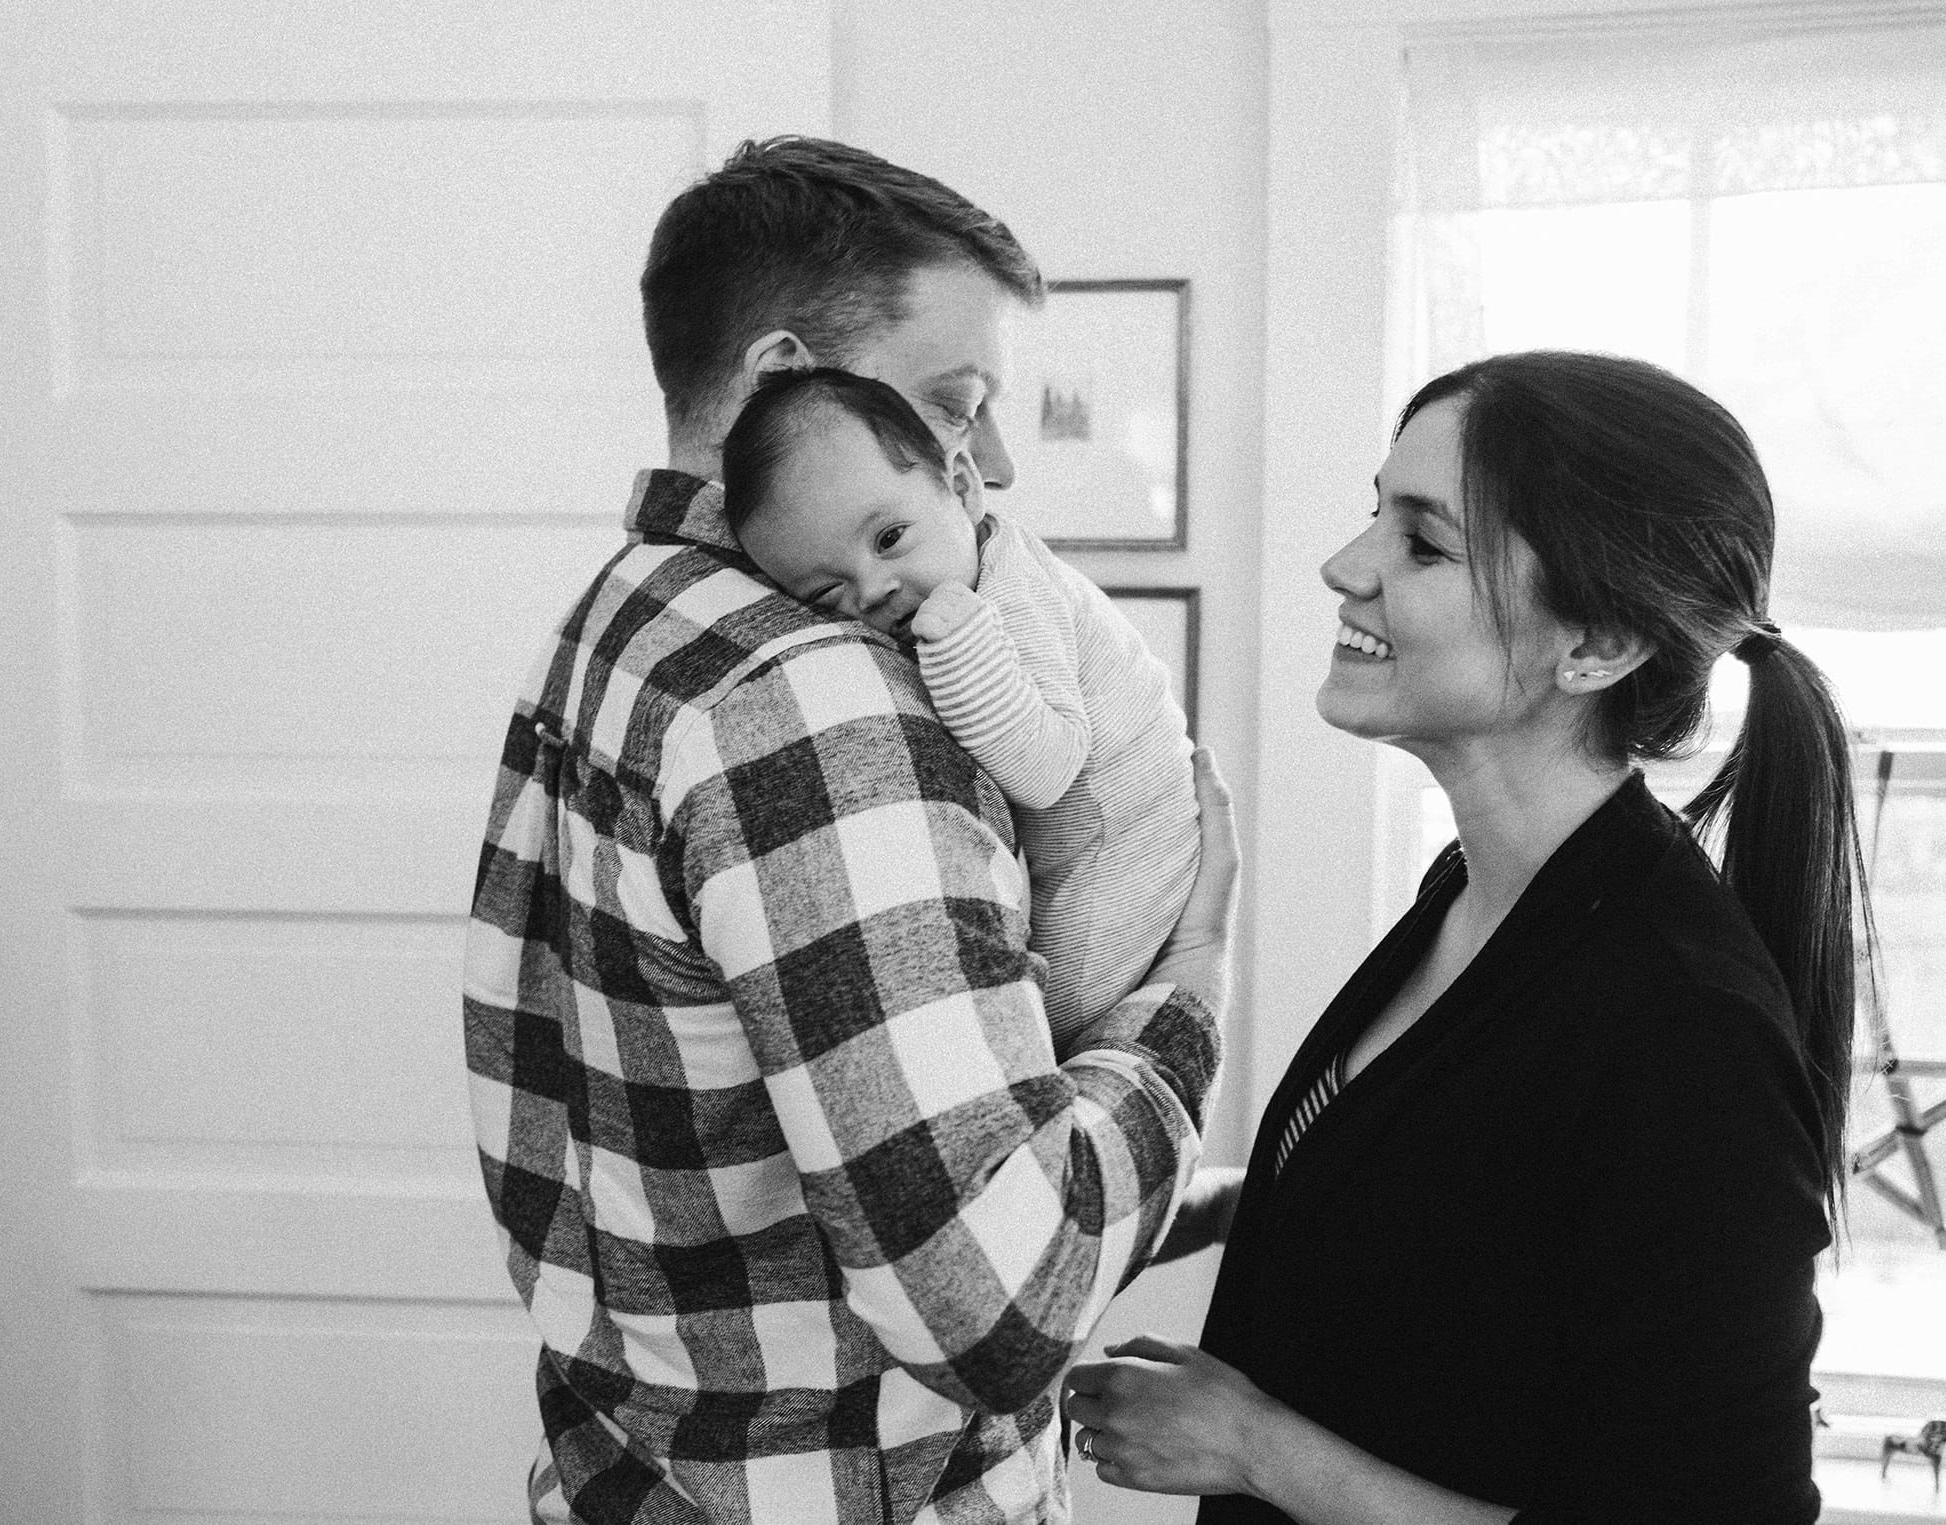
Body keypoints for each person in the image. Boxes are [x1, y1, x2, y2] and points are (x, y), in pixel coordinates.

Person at [462, 135, 1238, 1525]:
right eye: (953, 402)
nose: (991, 461)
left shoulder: (618, 618)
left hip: (630, 1469)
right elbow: (995, 1309)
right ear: (780, 382)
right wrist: (1181, 1006)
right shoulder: (821, 702)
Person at [1064, 350, 1868, 1523]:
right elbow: (1488, 1205)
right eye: (1374, 512)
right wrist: (1234, 1198)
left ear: (1595, 646)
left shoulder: (1687, 1029)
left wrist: (1254, 1446)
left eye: (1424, 544)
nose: (1345, 567)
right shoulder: (1478, 890)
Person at [721, 365, 1200, 1048]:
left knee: (1032, 1036)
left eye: (889, 538)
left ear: (962, 486)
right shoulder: (947, 578)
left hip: (1123, 871)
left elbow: (1046, 768)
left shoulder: (1010, 591)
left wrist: (956, 644)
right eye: (829, 593)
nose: (875, 588)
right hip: (1090, 867)